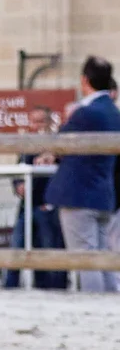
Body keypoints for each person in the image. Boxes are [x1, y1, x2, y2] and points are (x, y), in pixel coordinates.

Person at [50, 56, 118, 292]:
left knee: (85, 259)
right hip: (102, 193)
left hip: (79, 194)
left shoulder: (85, 112)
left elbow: (59, 144)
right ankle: (110, 300)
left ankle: (94, 304)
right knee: (103, 258)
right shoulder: (113, 111)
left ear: (84, 80)